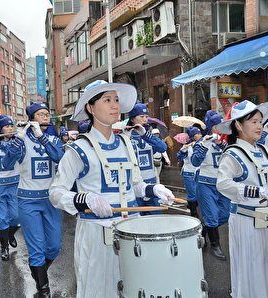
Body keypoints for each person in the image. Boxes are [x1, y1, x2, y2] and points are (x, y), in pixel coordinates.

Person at [49, 80, 175, 298]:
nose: (115, 105)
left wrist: (153, 189)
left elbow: (133, 185)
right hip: (97, 234)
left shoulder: (127, 144)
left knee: (133, 289)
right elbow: (56, 192)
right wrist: (84, 199)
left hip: (131, 230)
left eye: (116, 100)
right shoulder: (79, 148)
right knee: (99, 291)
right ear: (90, 107)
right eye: (107, 100)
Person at [216, 100, 268, 298]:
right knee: (254, 274)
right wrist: (257, 191)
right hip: (247, 224)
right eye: (253, 122)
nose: (259, 126)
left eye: (260, 122)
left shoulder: (263, 150)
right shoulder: (233, 154)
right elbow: (223, 184)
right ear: (238, 125)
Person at [3, 102, 64, 297]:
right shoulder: (21, 141)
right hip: (28, 201)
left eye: (47, 113)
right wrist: (19, 137)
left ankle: (39, 272)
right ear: (31, 118)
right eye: (40, 114)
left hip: (51, 199)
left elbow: (60, 158)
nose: (45, 117)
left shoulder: (54, 140)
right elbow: (7, 162)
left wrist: (42, 137)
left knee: (54, 246)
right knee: (36, 246)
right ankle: (43, 288)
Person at [191, 110, 230, 260]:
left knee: (225, 214)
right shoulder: (202, 142)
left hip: (222, 184)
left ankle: (204, 229)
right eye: (217, 125)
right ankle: (216, 245)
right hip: (205, 184)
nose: (220, 128)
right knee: (212, 216)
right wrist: (205, 145)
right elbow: (195, 162)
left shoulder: (225, 142)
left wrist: (222, 145)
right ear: (211, 127)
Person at [0, 115, 21, 261]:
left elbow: (11, 151)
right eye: (6, 126)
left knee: (17, 217)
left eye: (11, 126)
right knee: (3, 219)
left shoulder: (18, 143)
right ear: (1, 128)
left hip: (14, 184)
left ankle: (10, 234)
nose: (10, 128)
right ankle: (4, 247)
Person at [125, 102, 168, 215]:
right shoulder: (125, 135)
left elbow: (163, 147)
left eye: (146, 117)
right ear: (133, 119)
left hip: (152, 183)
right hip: (135, 184)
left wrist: (145, 135)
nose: (145, 119)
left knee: (155, 221)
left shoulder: (149, 135)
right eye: (141, 116)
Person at [177, 126, 202, 217]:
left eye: (200, 133)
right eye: (197, 134)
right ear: (192, 136)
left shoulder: (201, 145)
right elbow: (179, 157)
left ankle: (194, 209)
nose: (200, 135)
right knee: (192, 195)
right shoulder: (187, 146)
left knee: (199, 194)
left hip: (198, 173)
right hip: (188, 174)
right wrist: (183, 150)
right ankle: (193, 214)